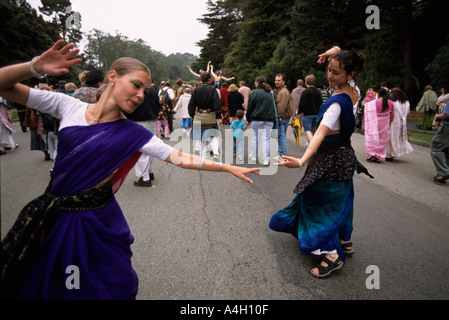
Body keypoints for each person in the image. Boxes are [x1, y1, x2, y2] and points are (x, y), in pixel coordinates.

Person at [0, 40, 260, 300]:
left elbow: (178, 157)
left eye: (145, 90)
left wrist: (227, 167)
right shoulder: (67, 107)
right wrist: (35, 67)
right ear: (112, 76)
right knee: (63, 286)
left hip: (99, 221)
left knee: (113, 284)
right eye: (136, 85)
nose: (140, 95)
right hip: (57, 217)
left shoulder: (134, 132)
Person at [270, 47, 373, 278]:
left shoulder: (336, 104)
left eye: (335, 72)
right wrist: (333, 51)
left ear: (350, 73)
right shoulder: (355, 90)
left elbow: (319, 134)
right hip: (344, 155)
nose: (329, 75)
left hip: (328, 159)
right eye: (328, 70)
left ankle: (331, 255)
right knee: (343, 198)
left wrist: (301, 161)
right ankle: (345, 240)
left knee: (317, 203)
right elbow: (343, 52)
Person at [122, 82, 160, 187]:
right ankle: (150, 171)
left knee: (141, 151)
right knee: (151, 149)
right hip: (152, 120)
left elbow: (127, 108)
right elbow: (158, 105)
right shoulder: (152, 90)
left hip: (138, 122)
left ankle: (145, 177)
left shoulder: (135, 90)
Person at [188, 71, 222, 161]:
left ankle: (203, 157)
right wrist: (218, 116)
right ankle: (215, 153)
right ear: (209, 79)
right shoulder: (213, 89)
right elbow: (216, 103)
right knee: (213, 136)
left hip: (199, 115)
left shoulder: (196, 90)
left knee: (200, 137)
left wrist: (192, 114)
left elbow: (191, 104)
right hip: (210, 115)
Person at [245, 76, 277, 166]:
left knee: (255, 137)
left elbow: (250, 107)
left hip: (257, 118)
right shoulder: (270, 93)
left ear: (258, 82)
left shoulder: (254, 93)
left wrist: (248, 118)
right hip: (269, 119)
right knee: (266, 139)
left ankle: (253, 156)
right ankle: (265, 159)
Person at [364, 88, 395, 163]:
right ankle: (378, 156)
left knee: (373, 138)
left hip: (374, 123)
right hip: (385, 124)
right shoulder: (390, 103)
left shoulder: (373, 103)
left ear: (379, 94)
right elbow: (392, 116)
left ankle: (372, 154)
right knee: (382, 140)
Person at [386, 87, 413, 161]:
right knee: (399, 137)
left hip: (394, 122)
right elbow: (407, 112)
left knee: (391, 138)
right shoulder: (406, 103)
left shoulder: (394, 103)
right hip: (402, 122)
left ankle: (390, 154)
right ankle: (395, 152)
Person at [298, 74, 323, 144]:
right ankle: (311, 145)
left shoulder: (306, 92)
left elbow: (303, 104)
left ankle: (312, 145)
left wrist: (299, 111)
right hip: (316, 114)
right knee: (313, 130)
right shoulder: (318, 92)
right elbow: (321, 103)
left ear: (306, 82)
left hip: (308, 114)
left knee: (307, 130)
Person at [274, 74, 293, 157]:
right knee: (282, 135)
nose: (277, 82)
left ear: (283, 82)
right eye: (276, 80)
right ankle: (281, 152)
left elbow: (281, 107)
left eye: (279, 80)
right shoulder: (282, 91)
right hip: (284, 117)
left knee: (281, 136)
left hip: (282, 117)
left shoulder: (283, 92)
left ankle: (282, 154)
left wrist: (278, 116)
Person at [430, 100, 449, 183]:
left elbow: (446, 114)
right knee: (447, 150)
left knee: (435, 148)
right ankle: (446, 169)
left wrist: (438, 117)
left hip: (447, 128)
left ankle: (443, 172)